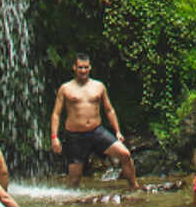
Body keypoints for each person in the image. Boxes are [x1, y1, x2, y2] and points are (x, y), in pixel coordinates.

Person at [49, 52, 140, 189]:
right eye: (80, 67)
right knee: (74, 180)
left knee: (125, 154)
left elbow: (109, 110)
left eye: (86, 67)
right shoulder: (65, 88)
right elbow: (56, 114)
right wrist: (54, 137)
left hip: (97, 133)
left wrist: (117, 131)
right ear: (74, 67)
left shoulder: (99, 86)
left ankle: (135, 187)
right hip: (75, 135)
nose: (83, 71)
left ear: (90, 67)